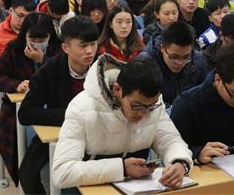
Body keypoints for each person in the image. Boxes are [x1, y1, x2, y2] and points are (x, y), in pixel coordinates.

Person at [51, 56, 193, 189]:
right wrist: (122, 168)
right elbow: (62, 172)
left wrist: (180, 163)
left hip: (137, 188)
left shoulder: (155, 105)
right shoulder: (81, 108)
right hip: (88, 189)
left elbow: (170, 140)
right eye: (136, 106)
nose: (143, 113)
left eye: (150, 107)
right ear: (117, 89)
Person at [18, 16, 99, 194]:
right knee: (30, 174)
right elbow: (26, 112)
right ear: (65, 48)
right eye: (83, 46)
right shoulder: (50, 69)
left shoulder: (103, 67)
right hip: (61, 136)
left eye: (93, 44)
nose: (90, 51)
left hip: (98, 136)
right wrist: (73, 117)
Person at [0, 13, 61, 185]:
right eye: (32, 39)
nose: (37, 43)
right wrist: (16, 84)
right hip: (20, 110)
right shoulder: (14, 49)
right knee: (20, 146)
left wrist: (42, 59)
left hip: (53, 107)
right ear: (24, 36)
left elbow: (63, 74)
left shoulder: (58, 50)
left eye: (42, 39)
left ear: (50, 36)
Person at [139, 21, 208, 106]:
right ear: (162, 48)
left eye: (186, 57)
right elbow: (144, 101)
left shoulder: (198, 60)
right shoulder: (145, 64)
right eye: (174, 57)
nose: (180, 63)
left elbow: (204, 95)